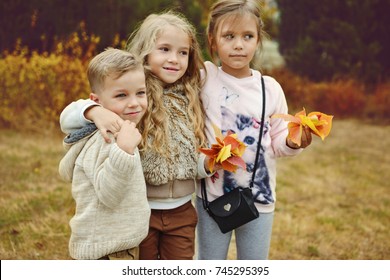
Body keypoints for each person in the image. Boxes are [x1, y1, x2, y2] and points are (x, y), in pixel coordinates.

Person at [59, 11, 209, 260]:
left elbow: (189, 151)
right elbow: (68, 117)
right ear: (146, 51)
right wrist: (94, 111)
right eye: (164, 49)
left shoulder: (191, 94)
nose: (174, 59)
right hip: (142, 209)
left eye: (183, 52)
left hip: (182, 206)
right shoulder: (134, 90)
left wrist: (208, 163)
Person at [195, 0, 312, 260]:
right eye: (229, 36)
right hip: (212, 198)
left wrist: (294, 142)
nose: (239, 44)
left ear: (258, 40)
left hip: (258, 199)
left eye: (247, 36)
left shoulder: (269, 88)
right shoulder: (205, 77)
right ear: (213, 41)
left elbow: (279, 141)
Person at [58, 48, 151, 260]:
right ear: (96, 100)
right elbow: (109, 195)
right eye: (121, 95)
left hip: (115, 243)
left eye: (140, 93)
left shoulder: (120, 130)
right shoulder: (106, 139)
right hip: (106, 250)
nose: (134, 102)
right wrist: (124, 151)